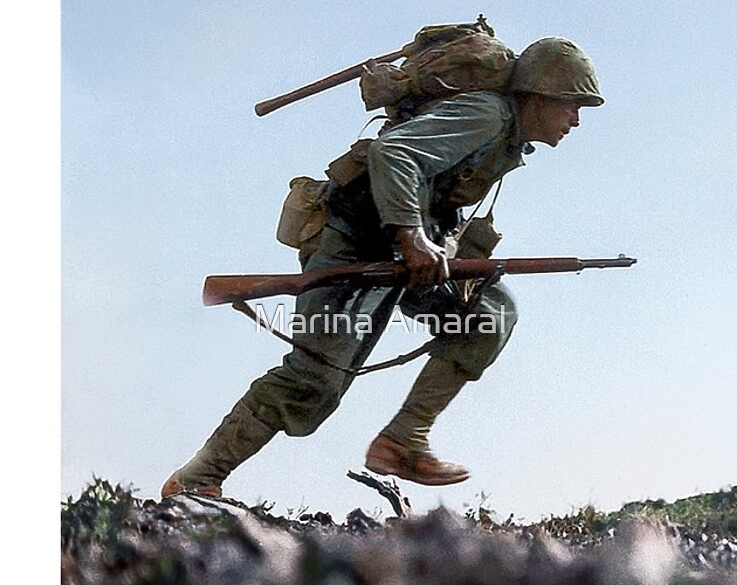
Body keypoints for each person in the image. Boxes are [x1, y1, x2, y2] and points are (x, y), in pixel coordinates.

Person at [162, 37, 604, 498]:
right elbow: (393, 153)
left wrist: (432, 246)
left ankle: (404, 439)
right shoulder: (486, 116)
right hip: (354, 241)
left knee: (489, 312)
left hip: (403, 253)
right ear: (539, 96)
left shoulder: (506, 138)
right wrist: (412, 238)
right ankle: (196, 479)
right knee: (314, 380)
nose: (575, 119)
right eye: (572, 105)